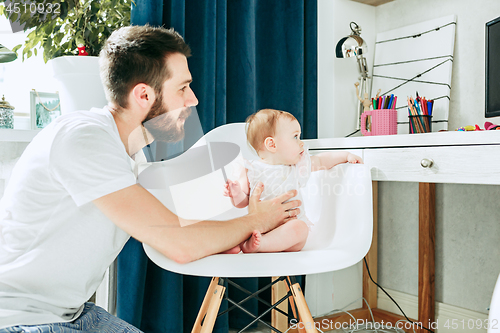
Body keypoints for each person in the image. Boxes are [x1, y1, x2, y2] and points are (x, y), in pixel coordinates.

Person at [0, 26, 301, 332]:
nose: (193, 100)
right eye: (182, 88)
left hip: (74, 314)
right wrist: (255, 221)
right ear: (143, 94)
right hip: (21, 320)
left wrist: (232, 230)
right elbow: (180, 243)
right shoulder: (85, 139)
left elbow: (176, 227)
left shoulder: (129, 153)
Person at [223, 109, 363, 254]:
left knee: (300, 228)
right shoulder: (251, 169)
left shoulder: (296, 167)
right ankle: (235, 243)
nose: (301, 143)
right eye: (295, 137)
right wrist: (236, 193)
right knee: (240, 226)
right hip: (259, 226)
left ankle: (260, 244)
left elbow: (321, 160)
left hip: (288, 229)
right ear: (272, 144)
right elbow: (242, 202)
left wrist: (346, 155)